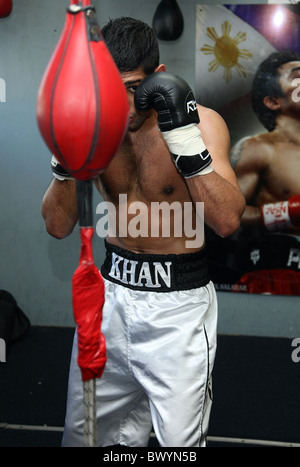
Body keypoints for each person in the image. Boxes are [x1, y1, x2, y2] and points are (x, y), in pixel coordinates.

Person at [41, 17, 245, 447]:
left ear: (158, 77)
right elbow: (57, 226)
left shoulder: (202, 124)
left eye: (135, 88)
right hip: (109, 299)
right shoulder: (95, 129)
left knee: (179, 446)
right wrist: (64, 162)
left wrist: (184, 140)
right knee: (85, 436)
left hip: (178, 308)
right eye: (113, 89)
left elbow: (227, 221)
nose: (127, 105)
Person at [230, 50, 300, 295]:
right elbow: (229, 217)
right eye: (298, 76)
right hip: (272, 270)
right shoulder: (259, 148)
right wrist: (283, 213)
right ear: (273, 101)